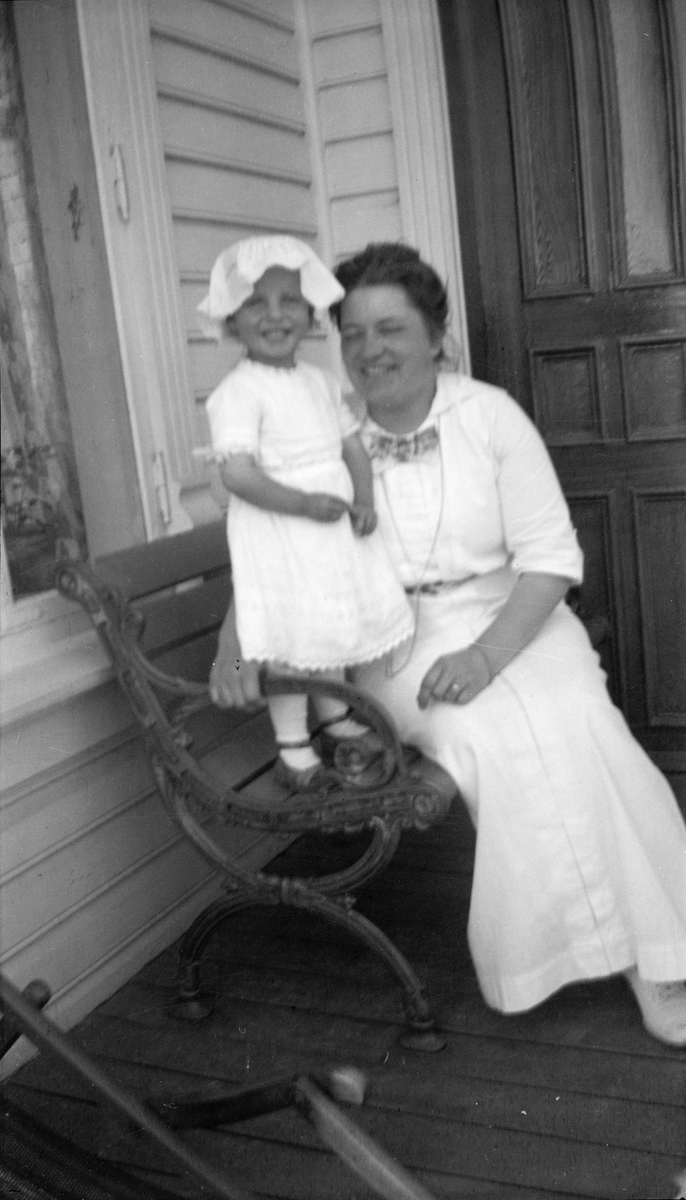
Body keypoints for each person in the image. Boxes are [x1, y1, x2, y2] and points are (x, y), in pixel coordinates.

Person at [208, 241, 686, 1048]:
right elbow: (263, 545)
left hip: (516, 616)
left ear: (436, 337)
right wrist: (232, 644)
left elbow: (549, 560)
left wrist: (486, 656)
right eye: (353, 334)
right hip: (393, 635)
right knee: (486, 734)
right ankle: (566, 955)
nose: (370, 350)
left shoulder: (490, 415)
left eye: (391, 328)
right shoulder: (322, 429)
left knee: (580, 719)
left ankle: (661, 954)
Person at [199, 236, 414, 790]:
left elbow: (352, 449)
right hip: (279, 529)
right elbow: (238, 474)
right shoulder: (238, 391)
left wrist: (363, 501)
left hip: (328, 533)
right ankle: (293, 745)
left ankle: (335, 719)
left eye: (290, 301)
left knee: (327, 624)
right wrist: (302, 504)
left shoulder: (319, 382)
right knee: (293, 638)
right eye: (256, 303)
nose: (275, 315)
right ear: (231, 318)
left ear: (311, 311)